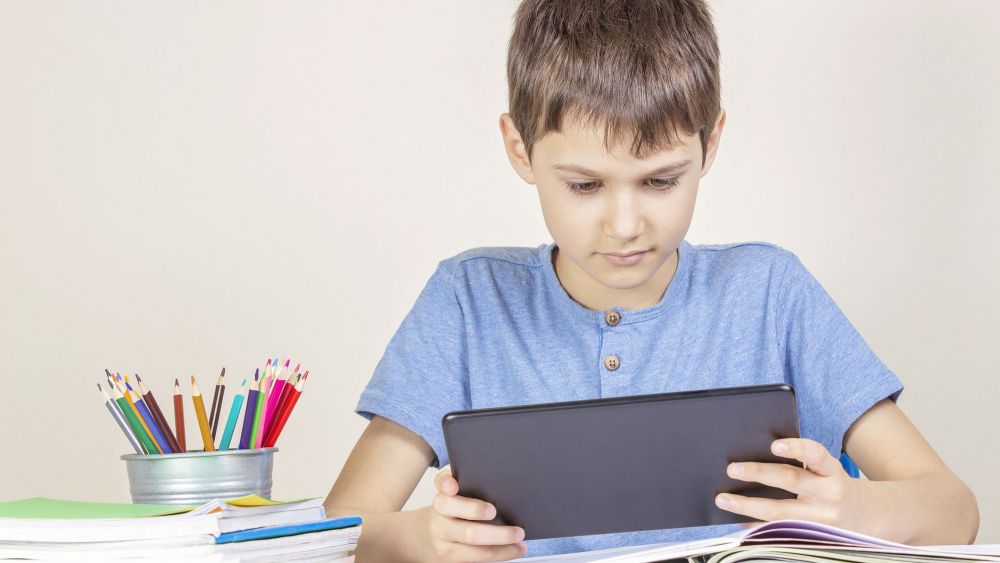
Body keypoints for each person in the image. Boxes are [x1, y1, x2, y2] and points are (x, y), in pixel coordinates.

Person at [323, 1, 979, 561]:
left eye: (661, 180)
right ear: (520, 148)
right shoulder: (468, 304)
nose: (625, 224)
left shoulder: (771, 294)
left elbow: (953, 508)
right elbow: (332, 535)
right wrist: (422, 537)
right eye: (584, 184)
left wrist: (855, 506)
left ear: (710, 142)